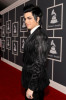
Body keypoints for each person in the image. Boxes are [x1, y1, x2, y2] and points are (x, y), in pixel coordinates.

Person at [21, 4, 50, 100]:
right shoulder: (33, 34)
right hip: (29, 79)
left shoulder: (40, 36)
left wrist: (31, 88)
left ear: (37, 19)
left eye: (29, 18)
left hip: (35, 85)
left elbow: (39, 64)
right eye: (25, 19)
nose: (26, 21)